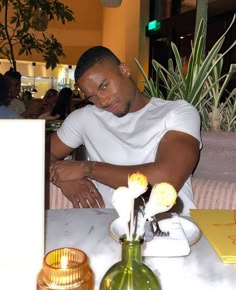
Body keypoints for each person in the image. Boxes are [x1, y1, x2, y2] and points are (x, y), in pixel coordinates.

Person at [50, 46, 201, 214]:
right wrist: (63, 179)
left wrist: (86, 168)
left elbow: (165, 180)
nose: (102, 101)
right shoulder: (85, 118)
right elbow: (38, 154)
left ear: (124, 70)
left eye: (104, 86)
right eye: (92, 97)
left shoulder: (177, 112)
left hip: (172, 231)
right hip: (110, 231)